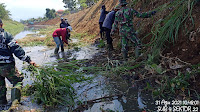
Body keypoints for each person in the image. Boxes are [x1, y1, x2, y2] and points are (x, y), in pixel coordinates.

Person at [0, 18, 36, 107]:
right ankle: (14, 104)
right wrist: (28, 60)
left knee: (0, 86)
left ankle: (2, 104)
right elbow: (16, 49)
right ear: (1, 25)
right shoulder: (6, 35)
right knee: (17, 81)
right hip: (6, 65)